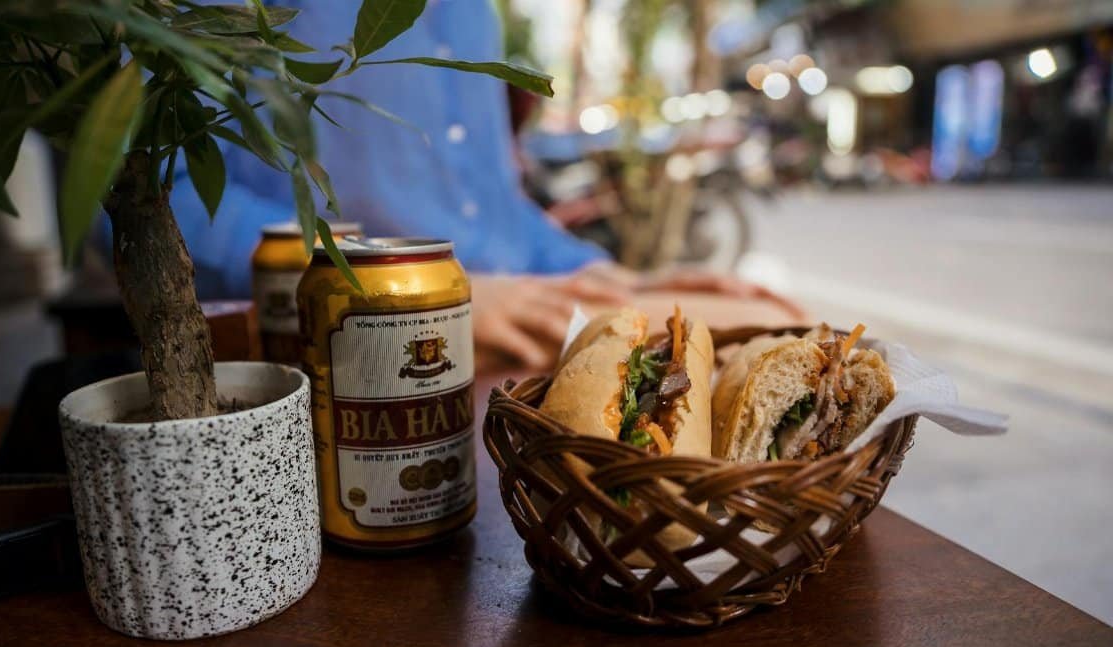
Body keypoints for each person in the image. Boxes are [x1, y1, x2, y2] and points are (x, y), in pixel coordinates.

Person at [159, 0, 803, 371]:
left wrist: (606, 275)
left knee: (783, 326)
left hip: (508, 322)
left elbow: (491, 208)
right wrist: (407, 297)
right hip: (348, 348)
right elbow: (157, 197)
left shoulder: (474, 10)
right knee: (776, 333)